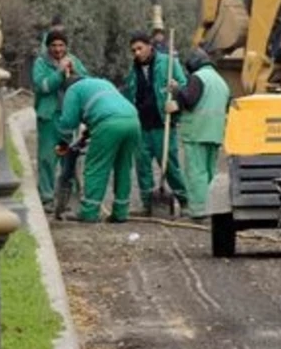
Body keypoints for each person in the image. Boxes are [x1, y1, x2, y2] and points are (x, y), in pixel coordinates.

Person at [56, 73, 142, 223]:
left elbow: (68, 122)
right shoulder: (103, 82)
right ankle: (121, 213)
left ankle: (89, 213)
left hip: (109, 124)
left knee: (96, 167)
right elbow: (104, 108)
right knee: (123, 167)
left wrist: (63, 143)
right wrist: (86, 136)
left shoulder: (73, 90)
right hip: (133, 120)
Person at [123, 31, 189, 215]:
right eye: (133, 50)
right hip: (142, 126)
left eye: (140, 48)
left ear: (149, 46)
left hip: (163, 124)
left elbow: (185, 88)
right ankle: (147, 204)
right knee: (142, 165)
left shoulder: (168, 63)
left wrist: (175, 95)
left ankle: (184, 202)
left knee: (170, 165)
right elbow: (130, 95)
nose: (136, 53)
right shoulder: (133, 71)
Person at [31, 30, 90, 209]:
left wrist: (74, 71)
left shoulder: (73, 60)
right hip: (49, 117)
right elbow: (42, 86)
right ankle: (47, 197)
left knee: (68, 156)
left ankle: (67, 198)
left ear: (66, 46)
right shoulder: (41, 63)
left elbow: (85, 82)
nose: (58, 49)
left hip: (68, 117)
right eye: (54, 45)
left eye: (61, 45)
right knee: (48, 157)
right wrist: (58, 73)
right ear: (48, 47)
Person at [170, 48, 230, 221]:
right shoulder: (221, 81)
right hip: (215, 133)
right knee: (210, 172)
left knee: (196, 173)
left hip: (197, 131)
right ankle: (213, 209)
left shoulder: (198, 78)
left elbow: (190, 100)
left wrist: (176, 91)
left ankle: (198, 211)